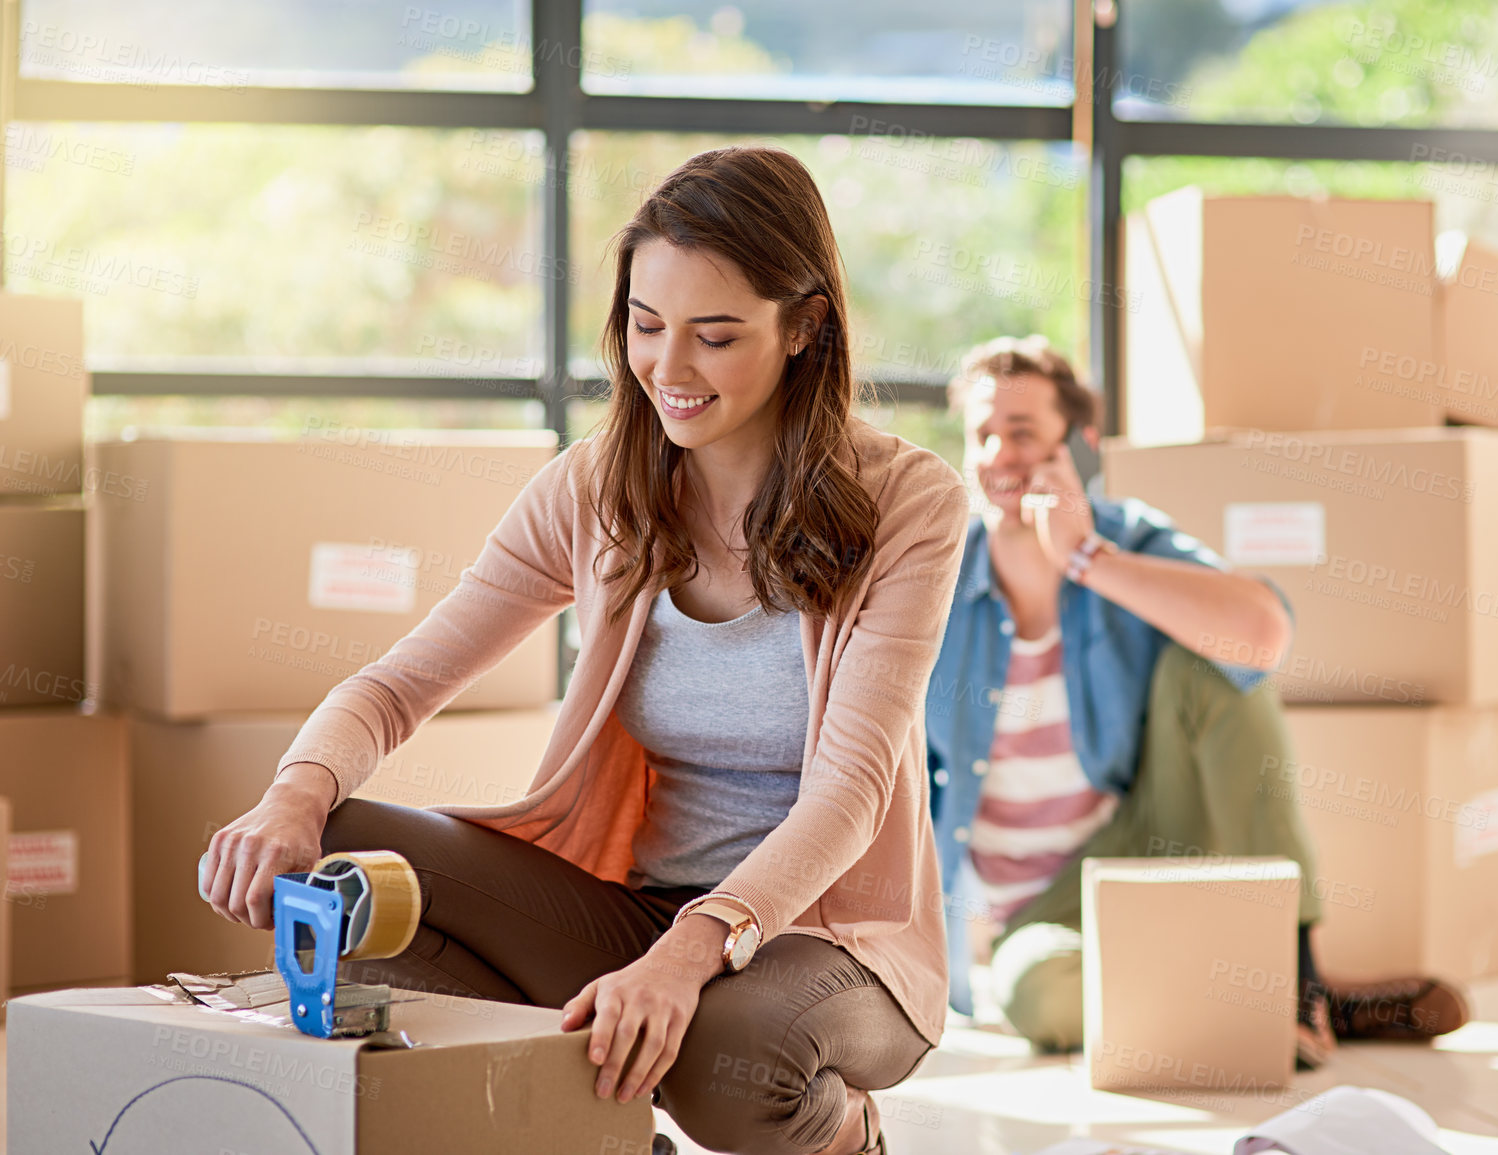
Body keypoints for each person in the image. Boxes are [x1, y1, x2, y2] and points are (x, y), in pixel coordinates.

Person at [200, 146, 971, 1155]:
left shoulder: (909, 503)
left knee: (722, 1064)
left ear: (806, 327)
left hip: (832, 942)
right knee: (343, 856)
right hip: (633, 909)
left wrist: (694, 953)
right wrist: (290, 797)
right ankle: (586, 1132)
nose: (670, 370)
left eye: (717, 336)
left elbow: (850, 793)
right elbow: (398, 685)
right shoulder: (591, 489)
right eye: (647, 328)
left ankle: (845, 1136)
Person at [925, 336, 1469, 1069]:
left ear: (1078, 448)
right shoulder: (934, 575)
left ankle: (1296, 979)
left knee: (1215, 660)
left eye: (1021, 433)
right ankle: (1269, 1007)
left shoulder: (1124, 537)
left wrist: (1087, 559)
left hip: (1138, 838)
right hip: (1035, 910)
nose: (998, 455)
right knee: (1034, 992)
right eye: (983, 435)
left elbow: (1262, 634)